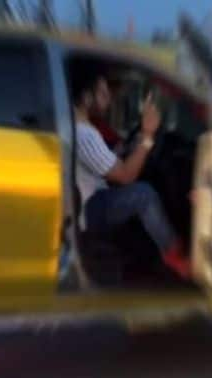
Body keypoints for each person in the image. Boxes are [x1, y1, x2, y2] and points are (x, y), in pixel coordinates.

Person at [72, 70, 190, 278]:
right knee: (143, 194)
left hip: (91, 197)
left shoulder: (82, 128)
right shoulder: (84, 133)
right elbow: (126, 175)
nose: (108, 97)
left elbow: (111, 161)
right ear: (86, 96)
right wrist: (147, 136)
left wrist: (133, 146)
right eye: (102, 92)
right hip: (89, 209)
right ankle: (175, 256)